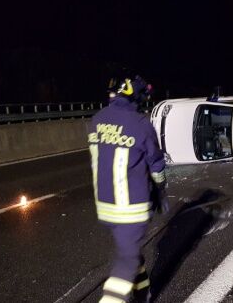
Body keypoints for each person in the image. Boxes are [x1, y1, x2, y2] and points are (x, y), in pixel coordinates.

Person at [88, 75, 168, 303]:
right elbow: (157, 164)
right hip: (130, 208)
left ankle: (143, 293)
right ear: (137, 97)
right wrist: (160, 187)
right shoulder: (140, 124)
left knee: (130, 250)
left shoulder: (97, 119)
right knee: (128, 260)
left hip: (105, 206)